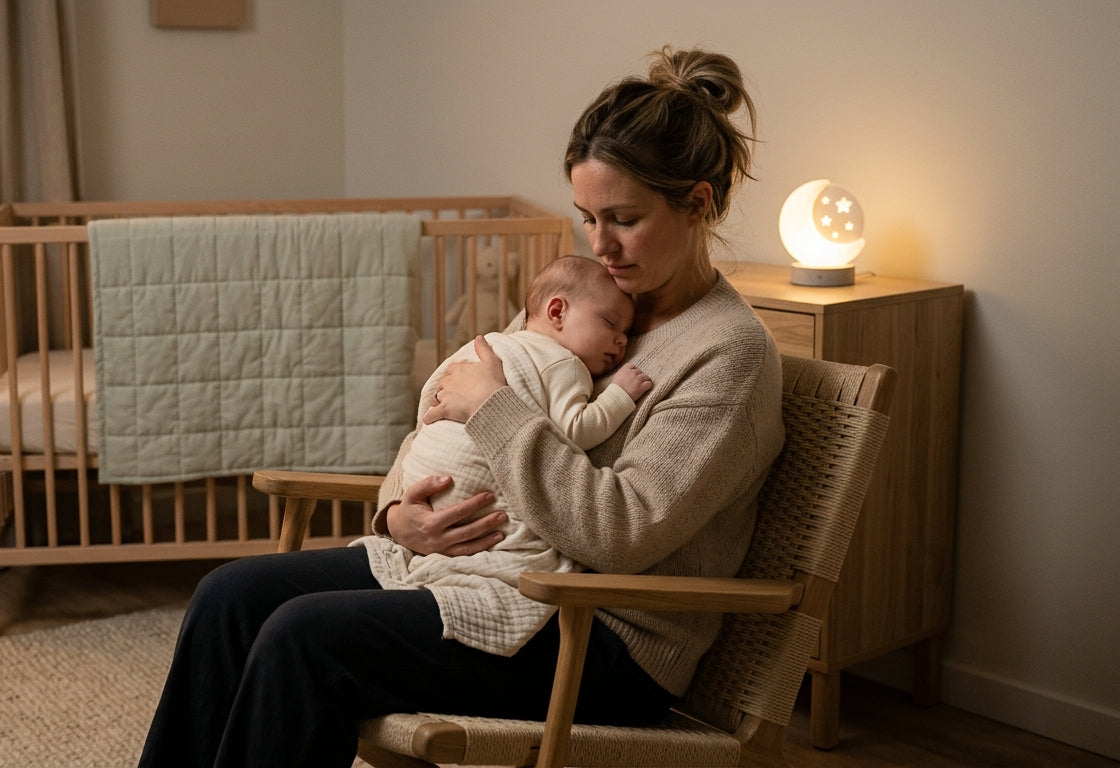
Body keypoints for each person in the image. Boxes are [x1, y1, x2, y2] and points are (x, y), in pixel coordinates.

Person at [137, 45, 785, 768]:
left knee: (303, 638)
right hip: (484, 575)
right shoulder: (590, 303)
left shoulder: (728, 354)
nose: (600, 245)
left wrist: (499, 408)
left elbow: (618, 532)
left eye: (623, 220)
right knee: (231, 597)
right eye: (587, 218)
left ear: (696, 203)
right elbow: (451, 420)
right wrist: (398, 516)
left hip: (598, 640)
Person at [361, 254, 653, 657]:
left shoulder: (500, 341)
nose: (622, 340)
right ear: (556, 312)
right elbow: (575, 430)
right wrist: (619, 395)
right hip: (433, 529)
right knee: (245, 592)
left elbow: (435, 405)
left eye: (626, 331)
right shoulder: (566, 363)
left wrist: (485, 404)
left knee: (295, 627)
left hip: (435, 500)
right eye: (611, 324)